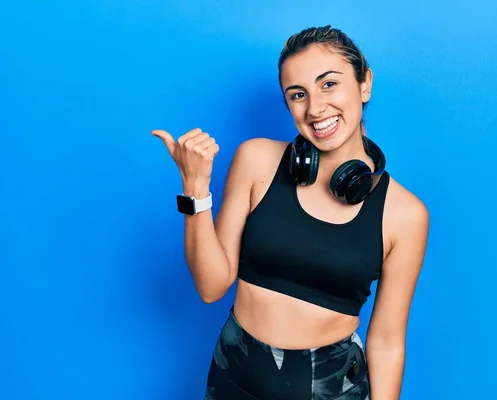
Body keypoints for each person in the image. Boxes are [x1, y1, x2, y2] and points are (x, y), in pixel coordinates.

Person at [152, 25, 429, 400]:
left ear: (365, 84)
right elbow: (211, 286)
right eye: (298, 94)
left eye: (329, 84)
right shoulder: (256, 160)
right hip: (235, 377)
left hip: (331, 388)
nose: (315, 108)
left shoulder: (405, 214)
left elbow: (387, 340)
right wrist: (196, 189)